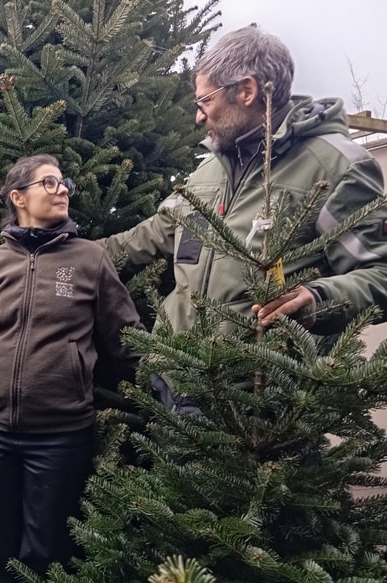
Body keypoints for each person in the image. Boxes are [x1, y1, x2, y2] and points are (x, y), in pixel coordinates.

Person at [101, 25, 387, 410]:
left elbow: (379, 273)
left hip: (259, 401)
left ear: (247, 91)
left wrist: (320, 297)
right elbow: (148, 236)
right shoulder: (208, 171)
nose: (198, 117)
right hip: (175, 380)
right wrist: (64, 256)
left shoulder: (337, 166)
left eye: (204, 101)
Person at [0, 154, 144, 583]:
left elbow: (126, 338)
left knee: (46, 553)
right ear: (19, 198)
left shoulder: (90, 260)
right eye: (48, 183)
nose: (62, 189)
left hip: (60, 437)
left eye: (63, 182)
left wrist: (169, 385)